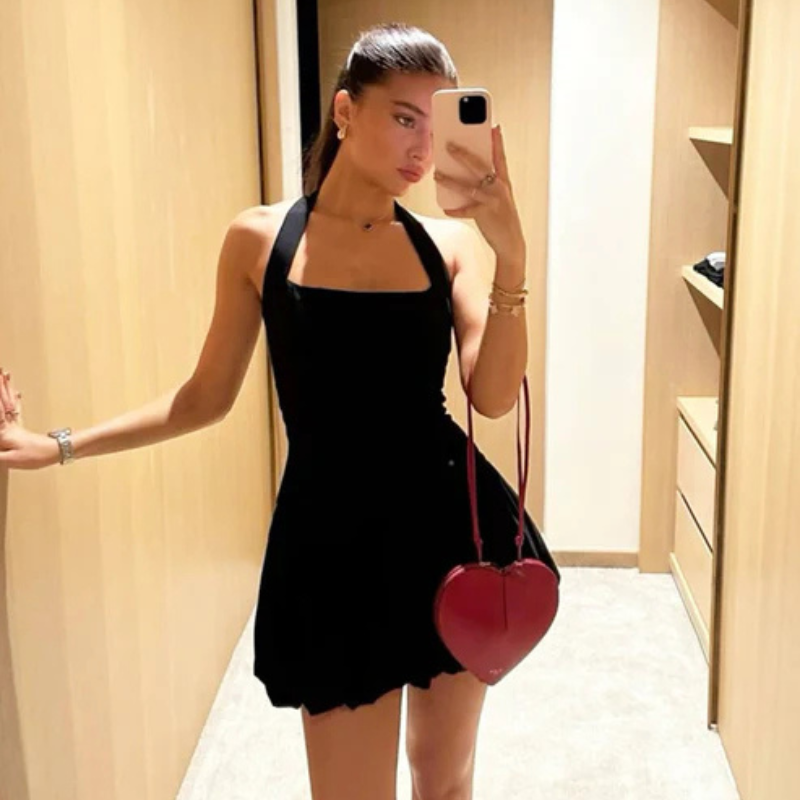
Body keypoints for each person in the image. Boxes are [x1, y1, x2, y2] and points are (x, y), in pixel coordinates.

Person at [0, 22, 539, 800]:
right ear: (345, 111)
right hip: (332, 544)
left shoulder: (447, 245)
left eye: (437, 122)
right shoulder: (260, 240)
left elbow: (491, 396)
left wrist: (512, 258)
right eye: (404, 117)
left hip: (448, 531)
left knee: (445, 782)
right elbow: (202, 398)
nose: (423, 147)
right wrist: (57, 445)